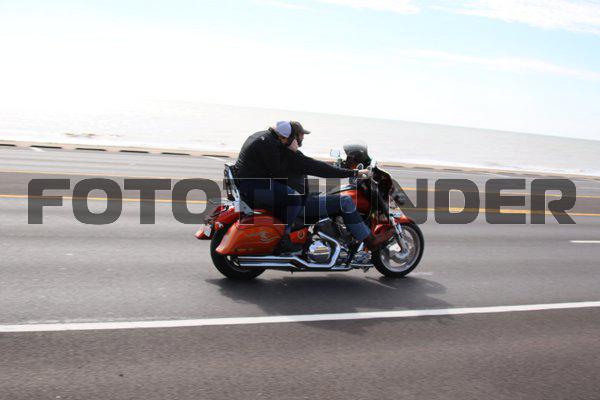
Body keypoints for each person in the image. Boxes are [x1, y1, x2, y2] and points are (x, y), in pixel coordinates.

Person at [283, 124, 391, 250]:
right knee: (345, 201)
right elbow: (320, 168)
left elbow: (315, 165)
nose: (303, 138)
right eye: (301, 135)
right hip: (300, 203)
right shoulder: (294, 156)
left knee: (325, 194)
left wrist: (339, 167)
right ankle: (370, 240)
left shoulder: (284, 154)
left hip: (295, 198)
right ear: (293, 138)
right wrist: (355, 173)